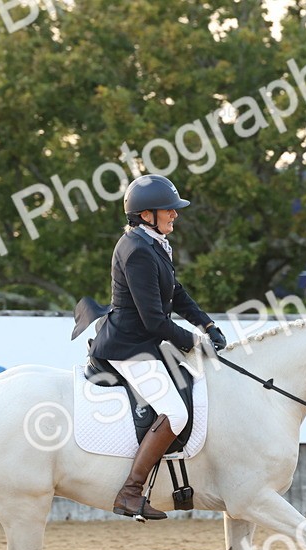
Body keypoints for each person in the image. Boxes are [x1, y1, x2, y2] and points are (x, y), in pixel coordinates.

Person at [88, 174, 226, 520]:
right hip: (128, 346)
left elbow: (175, 293)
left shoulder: (153, 243)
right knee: (176, 413)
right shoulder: (137, 251)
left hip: (145, 342)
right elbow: (154, 320)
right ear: (146, 214)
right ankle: (130, 492)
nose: (175, 214)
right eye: (169, 209)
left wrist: (207, 324)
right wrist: (194, 342)